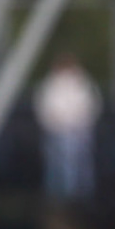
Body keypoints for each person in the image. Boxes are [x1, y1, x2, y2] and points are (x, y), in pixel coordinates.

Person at [34, 54, 102, 200]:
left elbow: (91, 105)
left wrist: (82, 122)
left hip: (79, 130)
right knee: (58, 164)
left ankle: (80, 195)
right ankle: (62, 195)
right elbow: (45, 108)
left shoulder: (82, 83)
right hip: (58, 131)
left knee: (80, 163)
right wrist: (54, 123)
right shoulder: (51, 85)